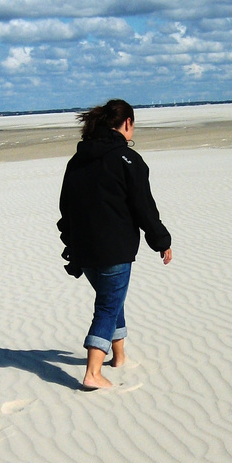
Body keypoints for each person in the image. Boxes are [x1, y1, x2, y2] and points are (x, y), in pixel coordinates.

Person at [58, 99, 172, 390]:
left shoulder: (77, 160)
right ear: (127, 123)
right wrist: (161, 241)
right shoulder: (127, 160)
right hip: (114, 250)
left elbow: (65, 208)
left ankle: (119, 357)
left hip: (84, 250)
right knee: (107, 306)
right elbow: (143, 207)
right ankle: (92, 372)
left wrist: (71, 245)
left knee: (113, 299)